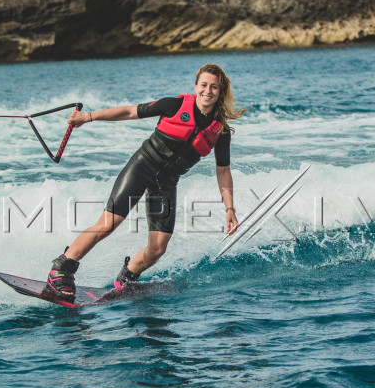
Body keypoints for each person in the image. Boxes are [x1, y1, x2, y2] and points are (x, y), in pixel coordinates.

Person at [47, 63, 245, 300]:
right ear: (196, 86)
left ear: (220, 92)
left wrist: (229, 208)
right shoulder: (173, 105)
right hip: (142, 167)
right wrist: (88, 117)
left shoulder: (219, 130)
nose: (208, 91)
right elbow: (130, 112)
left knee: (157, 249)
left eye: (214, 87)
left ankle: (127, 277)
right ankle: (61, 269)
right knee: (108, 224)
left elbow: (223, 171)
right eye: (204, 85)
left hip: (167, 183)